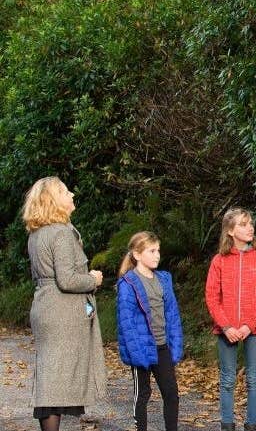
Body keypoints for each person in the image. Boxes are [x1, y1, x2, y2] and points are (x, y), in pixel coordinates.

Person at [22, 176, 107, 431]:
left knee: (51, 375)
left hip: (46, 307)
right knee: (53, 380)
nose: (72, 194)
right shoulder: (60, 233)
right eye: (65, 191)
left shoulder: (38, 234)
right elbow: (67, 280)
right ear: (53, 200)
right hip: (61, 311)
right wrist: (92, 279)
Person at [204, 208, 256, 431]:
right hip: (226, 329)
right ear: (231, 230)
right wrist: (226, 326)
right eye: (244, 224)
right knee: (227, 380)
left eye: (251, 223)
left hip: (254, 328)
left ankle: (252, 424)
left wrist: (248, 325)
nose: (250, 227)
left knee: (253, 379)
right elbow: (212, 296)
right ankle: (227, 425)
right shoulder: (219, 261)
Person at [116, 231, 183, 431]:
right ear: (137, 255)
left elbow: (172, 315)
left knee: (171, 394)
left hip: (163, 347)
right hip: (141, 349)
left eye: (158, 251)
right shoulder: (128, 283)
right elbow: (126, 322)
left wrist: (175, 345)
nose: (157, 255)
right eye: (151, 251)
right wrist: (136, 353)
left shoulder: (163, 279)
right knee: (142, 394)